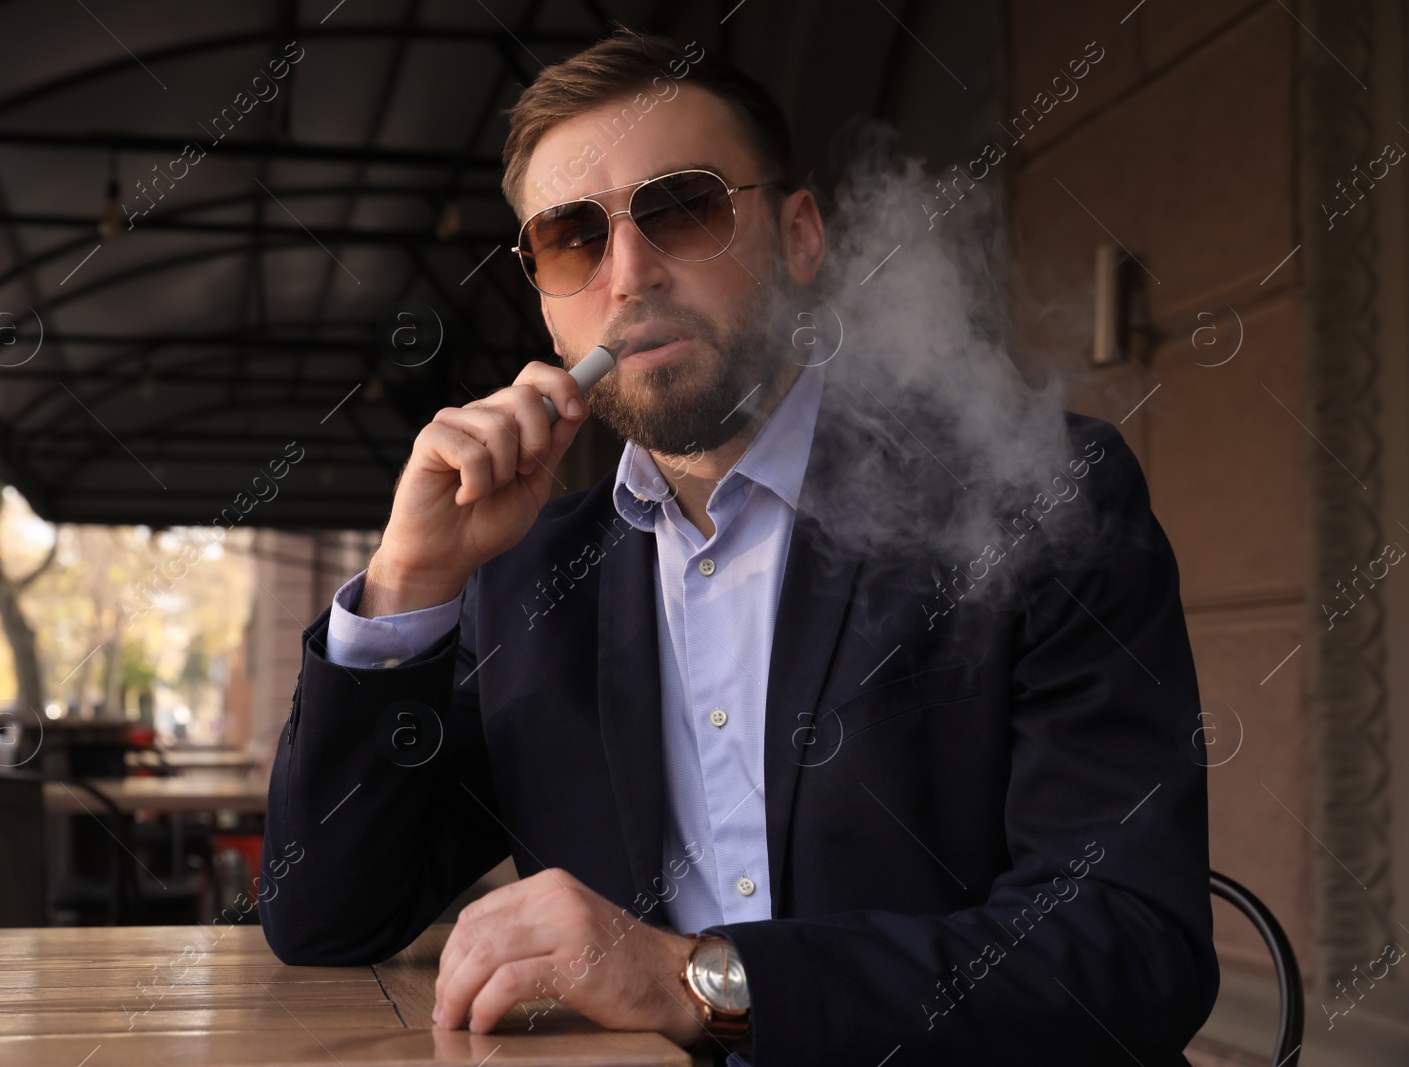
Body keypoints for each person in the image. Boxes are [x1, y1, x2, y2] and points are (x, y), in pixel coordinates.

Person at [261, 26, 1218, 1066]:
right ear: (543, 297)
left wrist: (699, 982)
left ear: (800, 237)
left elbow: (1129, 951)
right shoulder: (525, 576)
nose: (629, 274)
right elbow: (325, 914)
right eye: (572, 239)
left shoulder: (1030, 497)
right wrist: (410, 577)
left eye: (683, 207)